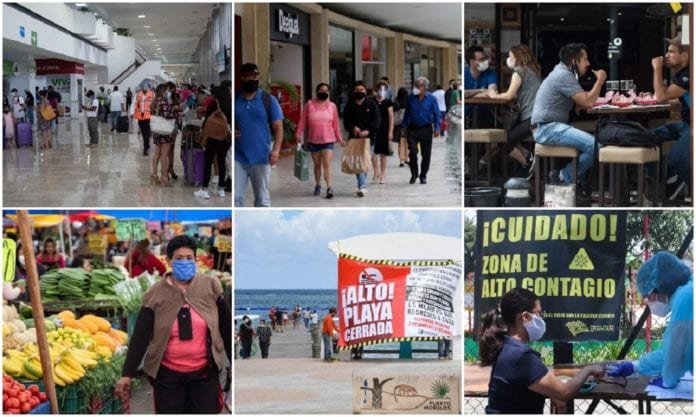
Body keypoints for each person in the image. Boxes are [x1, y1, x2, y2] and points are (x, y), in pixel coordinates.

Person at [115, 235, 232, 413]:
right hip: (168, 377)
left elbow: (226, 327)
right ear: (169, 261)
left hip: (205, 374)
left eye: (189, 258)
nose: (184, 262)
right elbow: (141, 335)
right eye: (178, 258)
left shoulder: (211, 286)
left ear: (196, 260)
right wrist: (127, 374)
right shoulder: (155, 293)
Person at [480, 288, 605, 413]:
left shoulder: (505, 346)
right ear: (525, 317)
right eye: (538, 314)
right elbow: (564, 392)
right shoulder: (522, 356)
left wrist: (551, 393)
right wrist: (588, 370)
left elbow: (523, 382)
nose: (541, 319)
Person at [607, 252, 692, 388]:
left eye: (648, 297)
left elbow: (674, 353)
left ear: (658, 288)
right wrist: (636, 366)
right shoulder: (687, 291)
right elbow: (678, 351)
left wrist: (667, 381)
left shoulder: (685, 298)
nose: (648, 302)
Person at [531, 42, 606, 187]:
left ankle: (577, 186)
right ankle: (563, 177)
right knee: (596, 146)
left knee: (593, 145)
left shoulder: (564, 73)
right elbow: (588, 102)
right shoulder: (563, 75)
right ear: (574, 61)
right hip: (547, 128)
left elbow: (582, 97)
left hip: (550, 127)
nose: (588, 63)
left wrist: (580, 103)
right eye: (585, 59)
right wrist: (600, 80)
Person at [480, 44, 541, 175]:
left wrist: (493, 95)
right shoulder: (533, 71)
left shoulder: (519, 71)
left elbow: (508, 95)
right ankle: (527, 155)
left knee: (504, 141)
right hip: (537, 116)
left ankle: (527, 163)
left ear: (517, 57)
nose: (508, 59)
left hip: (531, 117)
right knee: (509, 135)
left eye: (510, 56)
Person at [235, 63, 284, 207]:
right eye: (249, 77)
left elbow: (278, 128)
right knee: (236, 199)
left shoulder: (268, 100)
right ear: (242, 78)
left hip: (262, 157)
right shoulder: (235, 100)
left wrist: (276, 150)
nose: (253, 80)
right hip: (238, 158)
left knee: (262, 199)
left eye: (255, 77)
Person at [650, 36, 691, 199]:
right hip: (686, 124)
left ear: (685, 55)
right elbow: (684, 102)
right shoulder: (683, 74)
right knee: (648, 137)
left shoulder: (689, 76)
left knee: (677, 156)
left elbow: (661, 97)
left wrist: (657, 69)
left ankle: (684, 185)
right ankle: (666, 181)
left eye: (672, 51)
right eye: (667, 51)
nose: (667, 55)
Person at [295, 82, 344, 198]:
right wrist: (298, 133)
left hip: (328, 140)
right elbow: (303, 121)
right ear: (317, 92)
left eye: (326, 91)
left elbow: (336, 124)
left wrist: (340, 138)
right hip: (314, 140)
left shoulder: (332, 106)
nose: (324, 92)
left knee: (326, 163)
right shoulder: (309, 104)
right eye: (321, 91)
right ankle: (318, 185)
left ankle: (329, 188)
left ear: (328, 92)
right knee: (317, 165)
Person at [343, 80, 381, 197]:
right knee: (358, 163)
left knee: (365, 161)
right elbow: (346, 122)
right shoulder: (349, 105)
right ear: (353, 91)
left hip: (369, 139)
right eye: (357, 90)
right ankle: (362, 186)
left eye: (361, 90)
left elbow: (377, 121)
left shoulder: (372, 104)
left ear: (365, 91)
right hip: (354, 139)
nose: (359, 92)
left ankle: (361, 185)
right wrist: (353, 127)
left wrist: (368, 130)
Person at [195, 80, 231, 199]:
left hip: (212, 137)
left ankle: (204, 189)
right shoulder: (231, 103)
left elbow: (208, 121)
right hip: (225, 138)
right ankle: (221, 189)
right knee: (222, 162)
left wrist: (203, 134)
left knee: (208, 162)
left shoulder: (215, 103)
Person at [401, 76, 441, 185]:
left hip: (426, 129)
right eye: (416, 86)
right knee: (413, 152)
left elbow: (437, 114)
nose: (417, 88)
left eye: (419, 86)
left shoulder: (432, 99)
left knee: (426, 154)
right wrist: (403, 127)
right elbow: (406, 114)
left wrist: (437, 128)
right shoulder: (410, 98)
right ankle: (414, 173)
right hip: (412, 129)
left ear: (425, 87)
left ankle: (423, 175)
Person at [150, 84, 180, 187]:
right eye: (167, 90)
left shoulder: (154, 101)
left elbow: (157, 113)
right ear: (163, 91)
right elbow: (166, 115)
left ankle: (154, 173)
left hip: (156, 130)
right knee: (164, 155)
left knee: (156, 153)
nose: (168, 92)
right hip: (164, 130)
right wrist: (176, 115)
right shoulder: (163, 101)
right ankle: (164, 178)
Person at [465, 46, 497, 128]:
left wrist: (469, 94)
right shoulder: (464, 73)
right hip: (465, 114)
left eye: (485, 58)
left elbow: (492, 92)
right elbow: (462, 94)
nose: (485, 61)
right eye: (481, 59)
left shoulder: (489, 72)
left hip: (485, 114)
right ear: (472, 62)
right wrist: (480, 90)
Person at [373, 80, 394, 184]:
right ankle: (375, 171)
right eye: (380, 88)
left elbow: (391, 118)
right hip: (374, 130)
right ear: (376, 90)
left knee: (383, 153)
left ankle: (383, 174)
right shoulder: (372, 101)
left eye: (384, 89)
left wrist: (390, 131)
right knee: (373, 152)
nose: (382, 91)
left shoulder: (388, 102)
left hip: (384, 129)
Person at [134, 82, 154, 156]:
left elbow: (154, 104)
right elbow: (134, 103)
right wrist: (132, 113)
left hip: (148, 116)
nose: (145, 88)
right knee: (143, 132)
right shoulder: (138, 94)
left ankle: (145, 148)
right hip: (140, 116)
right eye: (143, 87)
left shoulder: (151, 94)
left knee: (146, 132)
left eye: (146, 87)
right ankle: (147, 145)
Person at [392, 87, 409, 167]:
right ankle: (406, 158)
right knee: (407, 142)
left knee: (400, 143)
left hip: (398, 125)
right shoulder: (409, 102)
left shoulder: (395, 103)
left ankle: (401, 160)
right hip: (407, 124)